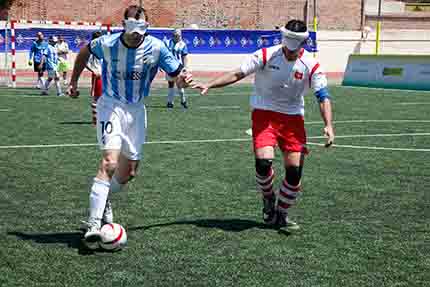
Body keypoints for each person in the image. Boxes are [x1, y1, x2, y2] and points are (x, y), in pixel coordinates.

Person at [192, 20, 335, 230]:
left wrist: (328, 125)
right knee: (263, 162)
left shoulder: (312, 65)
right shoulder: (266, 54)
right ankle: (268, 198)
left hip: (293, 119)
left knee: (294, 173)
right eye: (287, 46)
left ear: (303, 43)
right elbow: (238, 72)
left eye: (294, 48)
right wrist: (210, 84)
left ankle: (281, 213)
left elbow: (323, 96)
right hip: (264, 114)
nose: (289, 52)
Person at [68, 5, 192, 243]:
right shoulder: (107, 43)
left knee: (129, 172)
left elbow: (177, 75)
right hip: (111, 106)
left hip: (136, 111)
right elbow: (85, 51)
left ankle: (104, 198)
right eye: (132, 27)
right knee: (110, 162)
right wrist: (73, 82)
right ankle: (93, 224)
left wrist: (183, 80)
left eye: (142, 27)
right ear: (124, 24)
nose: (137, 32)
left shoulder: (157, 47)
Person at [164, 29, 189, 109]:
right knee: (170, 84)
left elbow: (184, 56)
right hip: (169, 67)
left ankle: (183, 101)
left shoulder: (182, 44)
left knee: (180, 86)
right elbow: (163, 55)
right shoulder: (167, 43)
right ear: (173, 35)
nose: (177, 37)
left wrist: (185, 67)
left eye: (178, 36)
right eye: (176, 35)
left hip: (179, 67)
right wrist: (161, 66)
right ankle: (170, 102)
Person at [85, 31, 103, 126]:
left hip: (106, 76)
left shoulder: (104, 49)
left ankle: (102, 118)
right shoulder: (91, 50)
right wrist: (93, 70)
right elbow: (85, 62)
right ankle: (95, 119)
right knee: (96, 97)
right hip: (98, 76)